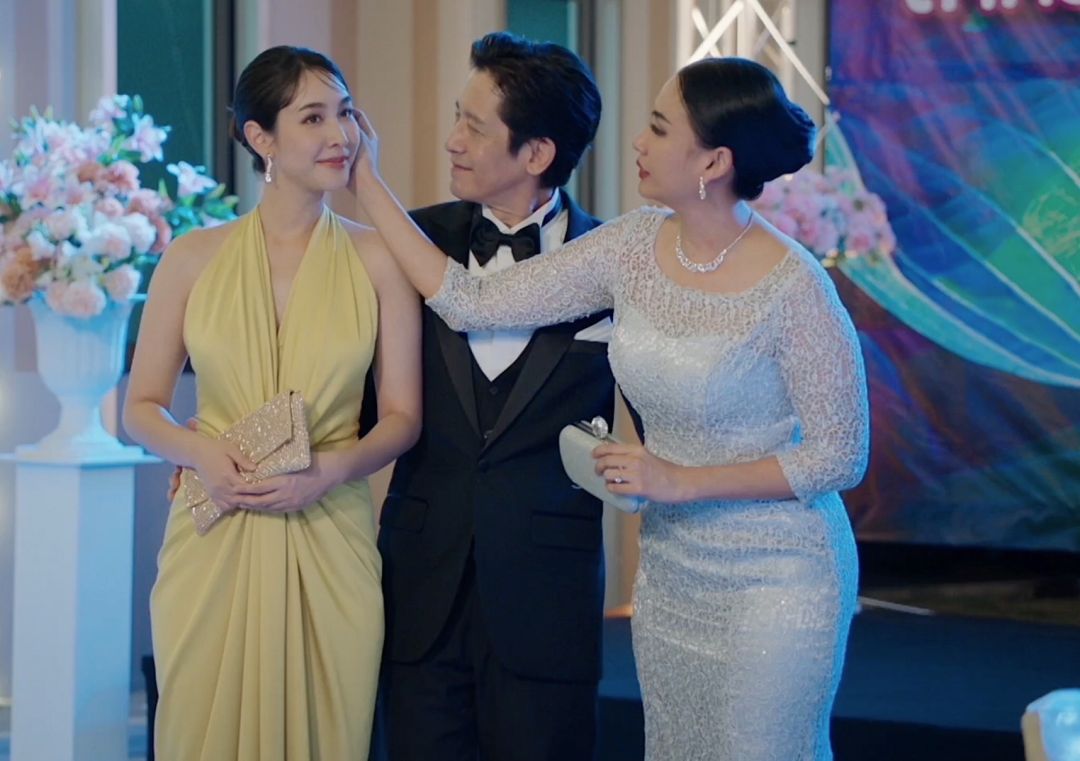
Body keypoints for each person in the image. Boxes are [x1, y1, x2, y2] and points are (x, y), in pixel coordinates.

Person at [352, 56, 869, 760]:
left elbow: (841, 454)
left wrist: (680, 480)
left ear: (713, 161)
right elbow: (474, 303)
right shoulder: (629, 245)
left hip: (779, 574)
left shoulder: (796, 286)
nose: (637, 141)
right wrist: (366, 181)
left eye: (659, 127)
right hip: (672, 571)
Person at [123, 45, 421, 761]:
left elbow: (403, 417)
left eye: (345, 113)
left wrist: (330, 472)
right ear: (261, 138)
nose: (339, 135)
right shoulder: (191, 257)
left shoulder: (380, 258)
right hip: (215, 535)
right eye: (312, 118)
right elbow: (140, 408)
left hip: (332, 532)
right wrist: (200, 453)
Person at [369, 32, 615, 761]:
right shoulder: (407, 242)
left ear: (536, 153)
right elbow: (336, 380)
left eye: (474, 127)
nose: (452, 140)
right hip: (420, 583)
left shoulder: (613, 262)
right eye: (457, 116)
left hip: (548, 597)